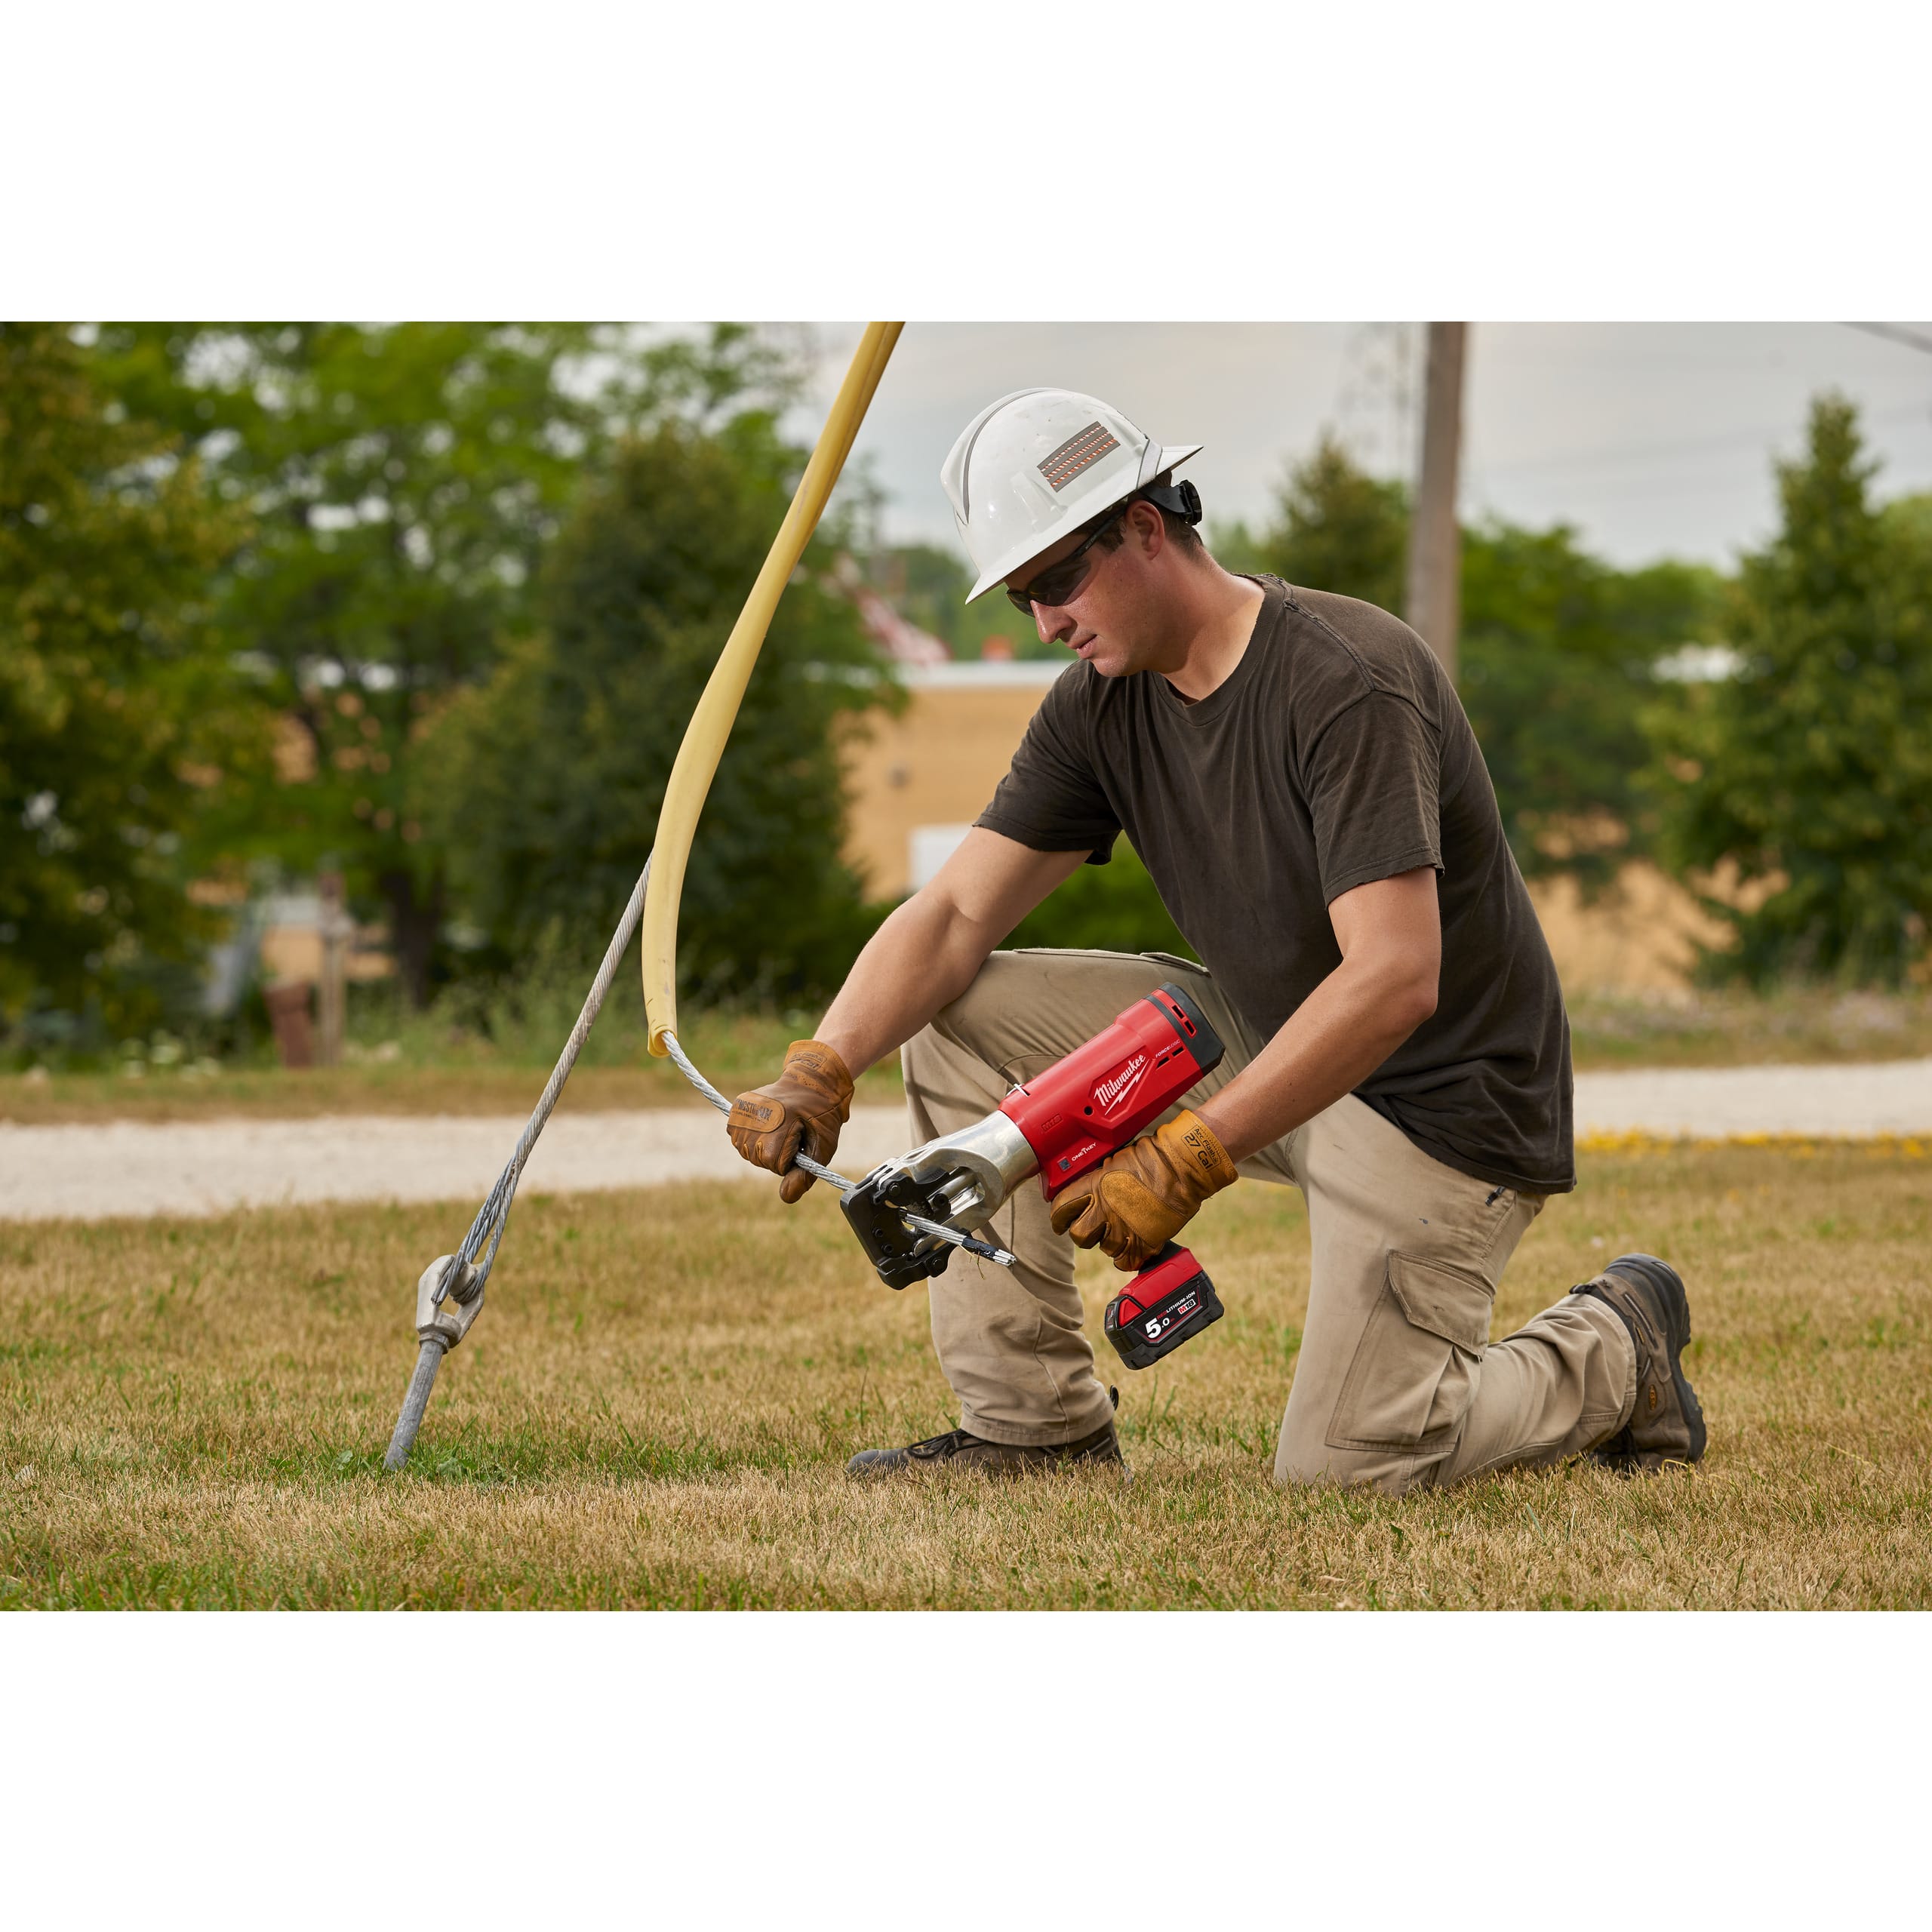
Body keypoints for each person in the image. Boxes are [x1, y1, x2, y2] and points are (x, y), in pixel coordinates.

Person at [728, 387, 1706, 1494]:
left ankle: (1613, 1346)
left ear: (1145, 528)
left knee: (1351, 1468)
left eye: (1057, 581)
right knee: (959, 1017)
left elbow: (1395, 978)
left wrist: (1189, 1152)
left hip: (1439, 1101)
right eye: (1021, 594)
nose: (1044, 621)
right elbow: (953, 916)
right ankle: (1031, 1429)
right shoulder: (1100, 703)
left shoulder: (1345, 678)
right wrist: (824, 1064)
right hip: (1267, 1032)